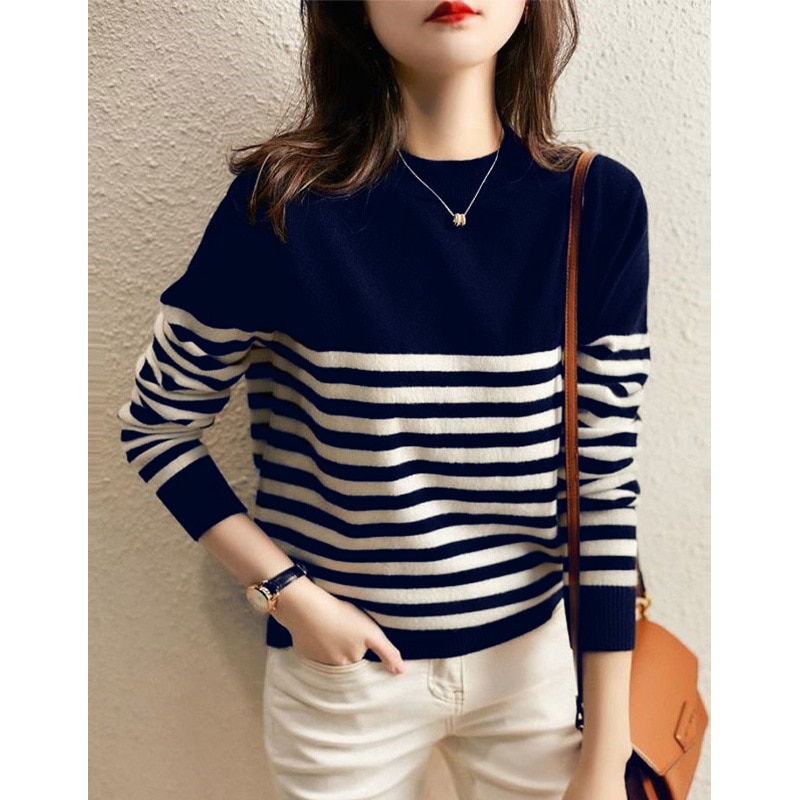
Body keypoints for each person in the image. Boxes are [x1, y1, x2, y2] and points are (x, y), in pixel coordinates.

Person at [116, 1, 650, 798]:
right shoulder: (283, 202)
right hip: (347, 679)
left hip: (539, 669)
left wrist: (607, 752)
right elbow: (157, 426)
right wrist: (288, 596)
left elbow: (602, 486)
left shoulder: (595, 203)